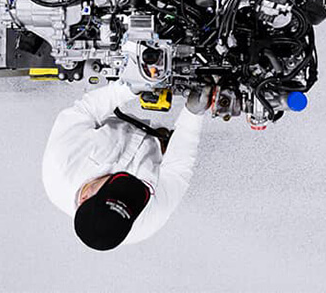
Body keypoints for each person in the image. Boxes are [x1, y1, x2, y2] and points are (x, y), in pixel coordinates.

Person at [42, 81, 213, 250]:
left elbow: (85, 110)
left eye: (116, 185)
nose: (127, 186)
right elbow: (177, 169)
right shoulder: (147, 221)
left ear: (85, 196)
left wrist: (127, 88)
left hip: (120, 104)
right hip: (164, 134)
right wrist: (192, 114)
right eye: (132, 195)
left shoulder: (59, 167)